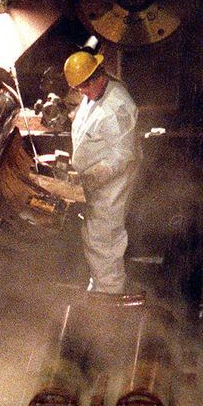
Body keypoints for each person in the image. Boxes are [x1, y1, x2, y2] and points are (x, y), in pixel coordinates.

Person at [63, 48, 140, 295]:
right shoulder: (96, 93)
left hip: (110, 188)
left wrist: (94, 176)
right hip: (93, 186)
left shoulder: (117, 107)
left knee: (104, 243)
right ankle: (99, 289)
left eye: (83, 87)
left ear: (97, 77)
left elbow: (123, 156)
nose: (81, 93)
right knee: (94, 241)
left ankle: (110, 298)